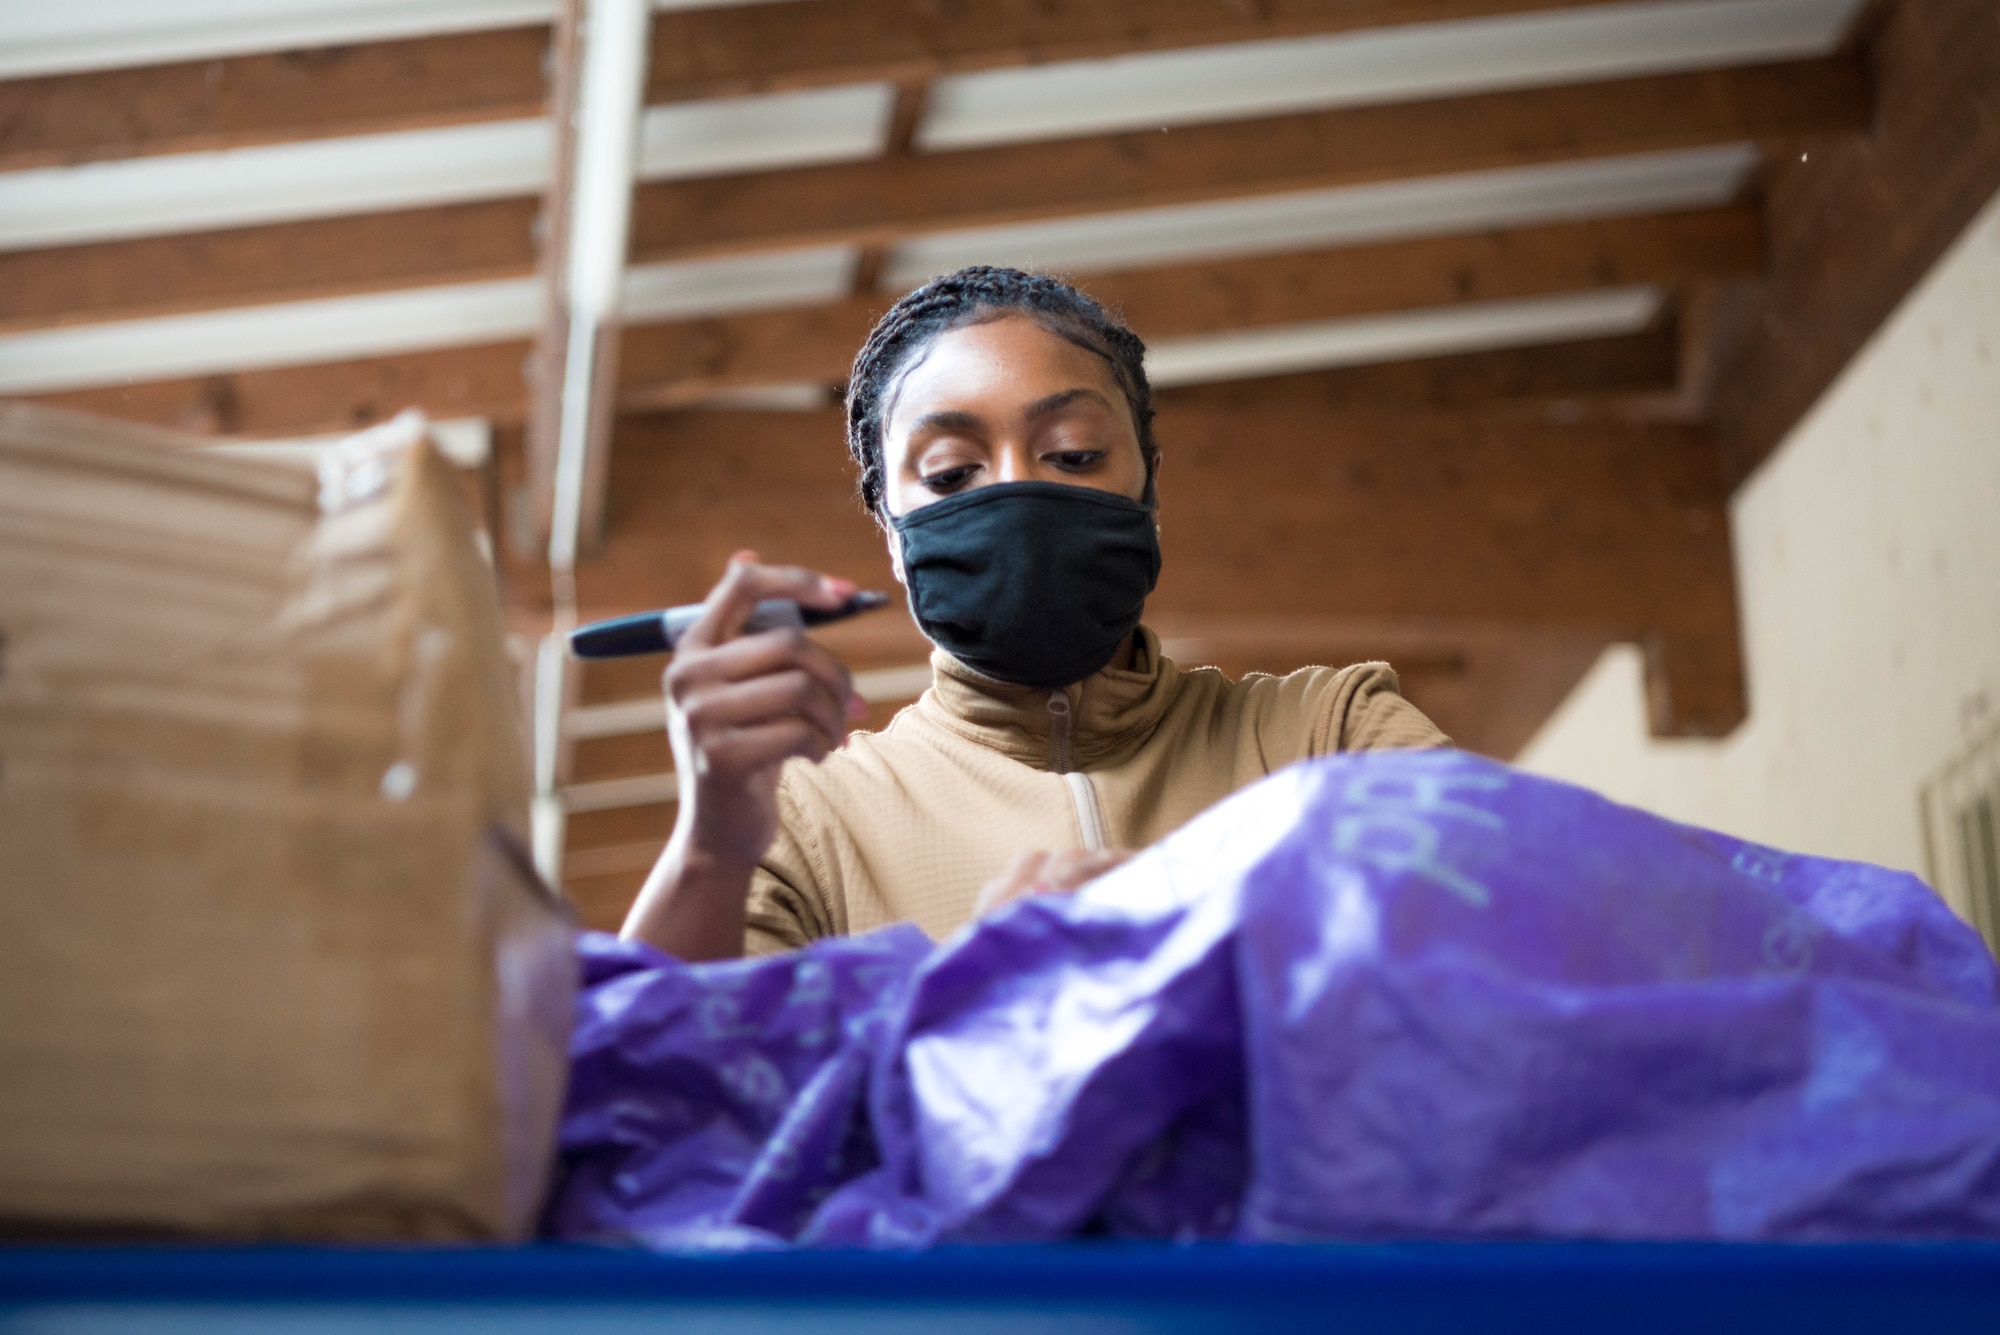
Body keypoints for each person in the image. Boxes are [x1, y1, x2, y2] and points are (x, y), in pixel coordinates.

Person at [621, 266, 1448, 961]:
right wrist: (709, 846)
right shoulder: (806, 822)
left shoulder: (1329, 735)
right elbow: (654, 1105)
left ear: (1149, 488)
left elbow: (1525, 939)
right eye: (950, 475)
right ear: (892, 538)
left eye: (1074, 455)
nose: (1020, 491)